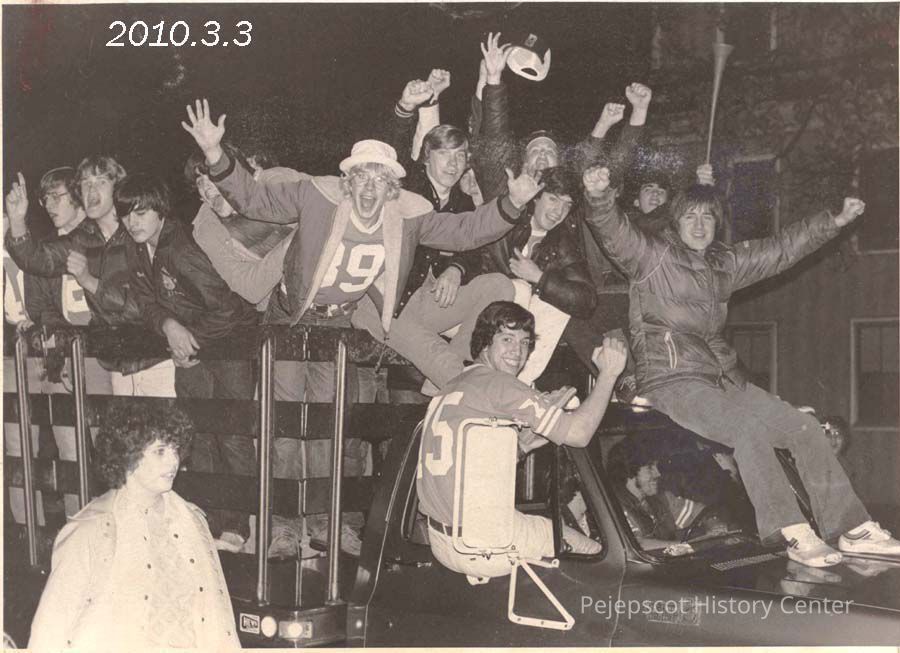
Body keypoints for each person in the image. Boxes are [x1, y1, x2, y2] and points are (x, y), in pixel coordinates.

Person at [582, 163, 900, 567]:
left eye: (708, 217)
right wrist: (599, 196)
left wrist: (832, 222)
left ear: (717, 223)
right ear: (675, 222)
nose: (700, 225)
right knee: (746, 430)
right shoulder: (652, 256)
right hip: (670, 379)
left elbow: (780, 250)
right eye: (690, 217)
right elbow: (613, 232)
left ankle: (852, 528)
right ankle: (793, 531)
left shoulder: (724, 263)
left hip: (720, 378)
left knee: (804, 427)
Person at [180, 98, 542, 384]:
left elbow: (465, 231)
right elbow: (255, 200)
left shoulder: (408, 214)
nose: (370, 189)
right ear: (348, 182)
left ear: (393, 188)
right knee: (284, 416)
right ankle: (475, 387)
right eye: (362, 178)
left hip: (344, 317)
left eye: (380, 180)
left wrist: (513, 203)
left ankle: (474, 387)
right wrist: (215, 154)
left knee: (329, 416)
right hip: (292, 310)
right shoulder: (317, 196)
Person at [417, 301, 628, 578]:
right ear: (485, 343)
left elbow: (467, 462)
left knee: (538, 526)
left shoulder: (454, 384)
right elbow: (579, 434)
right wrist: (609, 375)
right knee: (595, 554)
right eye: (507, 339)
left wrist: (522, 445)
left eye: (525, 342)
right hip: (482, 544)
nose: (517, 351)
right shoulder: (501, 384)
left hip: (442, 540)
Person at [120, 172, 259, 550]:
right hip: (190, 346)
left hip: (229, 344)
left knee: (232, 436)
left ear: (160, 211)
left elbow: (229, 310)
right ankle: (206, 520)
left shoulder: (181, 248)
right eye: (127, 214)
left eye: (141, 212)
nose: (133, 222)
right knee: (197, 434)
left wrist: (187, 342)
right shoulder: (135, 246)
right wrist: (170, 327)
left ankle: (238, 527)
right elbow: (146, 301)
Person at [28, 402, 239, 650]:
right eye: (160, 451)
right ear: (128, 454)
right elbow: (50, 628)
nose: (173, 461)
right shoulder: (91, 529)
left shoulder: (191, 521)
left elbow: (218, 620)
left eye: (175, 449)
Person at [383, 73, 515, 393]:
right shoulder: (408, 185)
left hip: (431, 303)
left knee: (500, 285)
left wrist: (456, 268)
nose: (453, 163)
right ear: (426, 156)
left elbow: (475, 249)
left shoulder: (462, 200)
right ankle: (462, 387)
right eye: (444, 154)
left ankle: (445, 379)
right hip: (392, 305)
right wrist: (405, 108)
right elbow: (392, 150)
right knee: (450, 369)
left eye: (460, 155)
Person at [4, 157, 174, 396]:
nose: (91, 190)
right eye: (85, 183)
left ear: (117, 187)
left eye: (100, 182)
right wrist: (17, 221)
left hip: (159, 361)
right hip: (118, 367)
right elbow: (38, 259)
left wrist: (88, 281)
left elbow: (144, 306)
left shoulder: (139, 231)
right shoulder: (83, 237)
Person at [477, 165, 594, 384]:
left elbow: (587, 300)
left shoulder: (562, 240)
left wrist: (540, 278)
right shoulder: (510, 217)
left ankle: (518, 384)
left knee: (557, 305)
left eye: (567, 205)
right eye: (553, 199)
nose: (558, 211)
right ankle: (503, 382)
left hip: (515, 325)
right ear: (536, 197)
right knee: (521, 289)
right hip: (479, 311)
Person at [605, 438, 692, 554]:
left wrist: (713, 525)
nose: (658, 474)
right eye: (650, 468)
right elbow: (636, 545)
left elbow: (700, 513)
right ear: (629, 472)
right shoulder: (613, 509)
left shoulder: (663, 498)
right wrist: (686, 547)